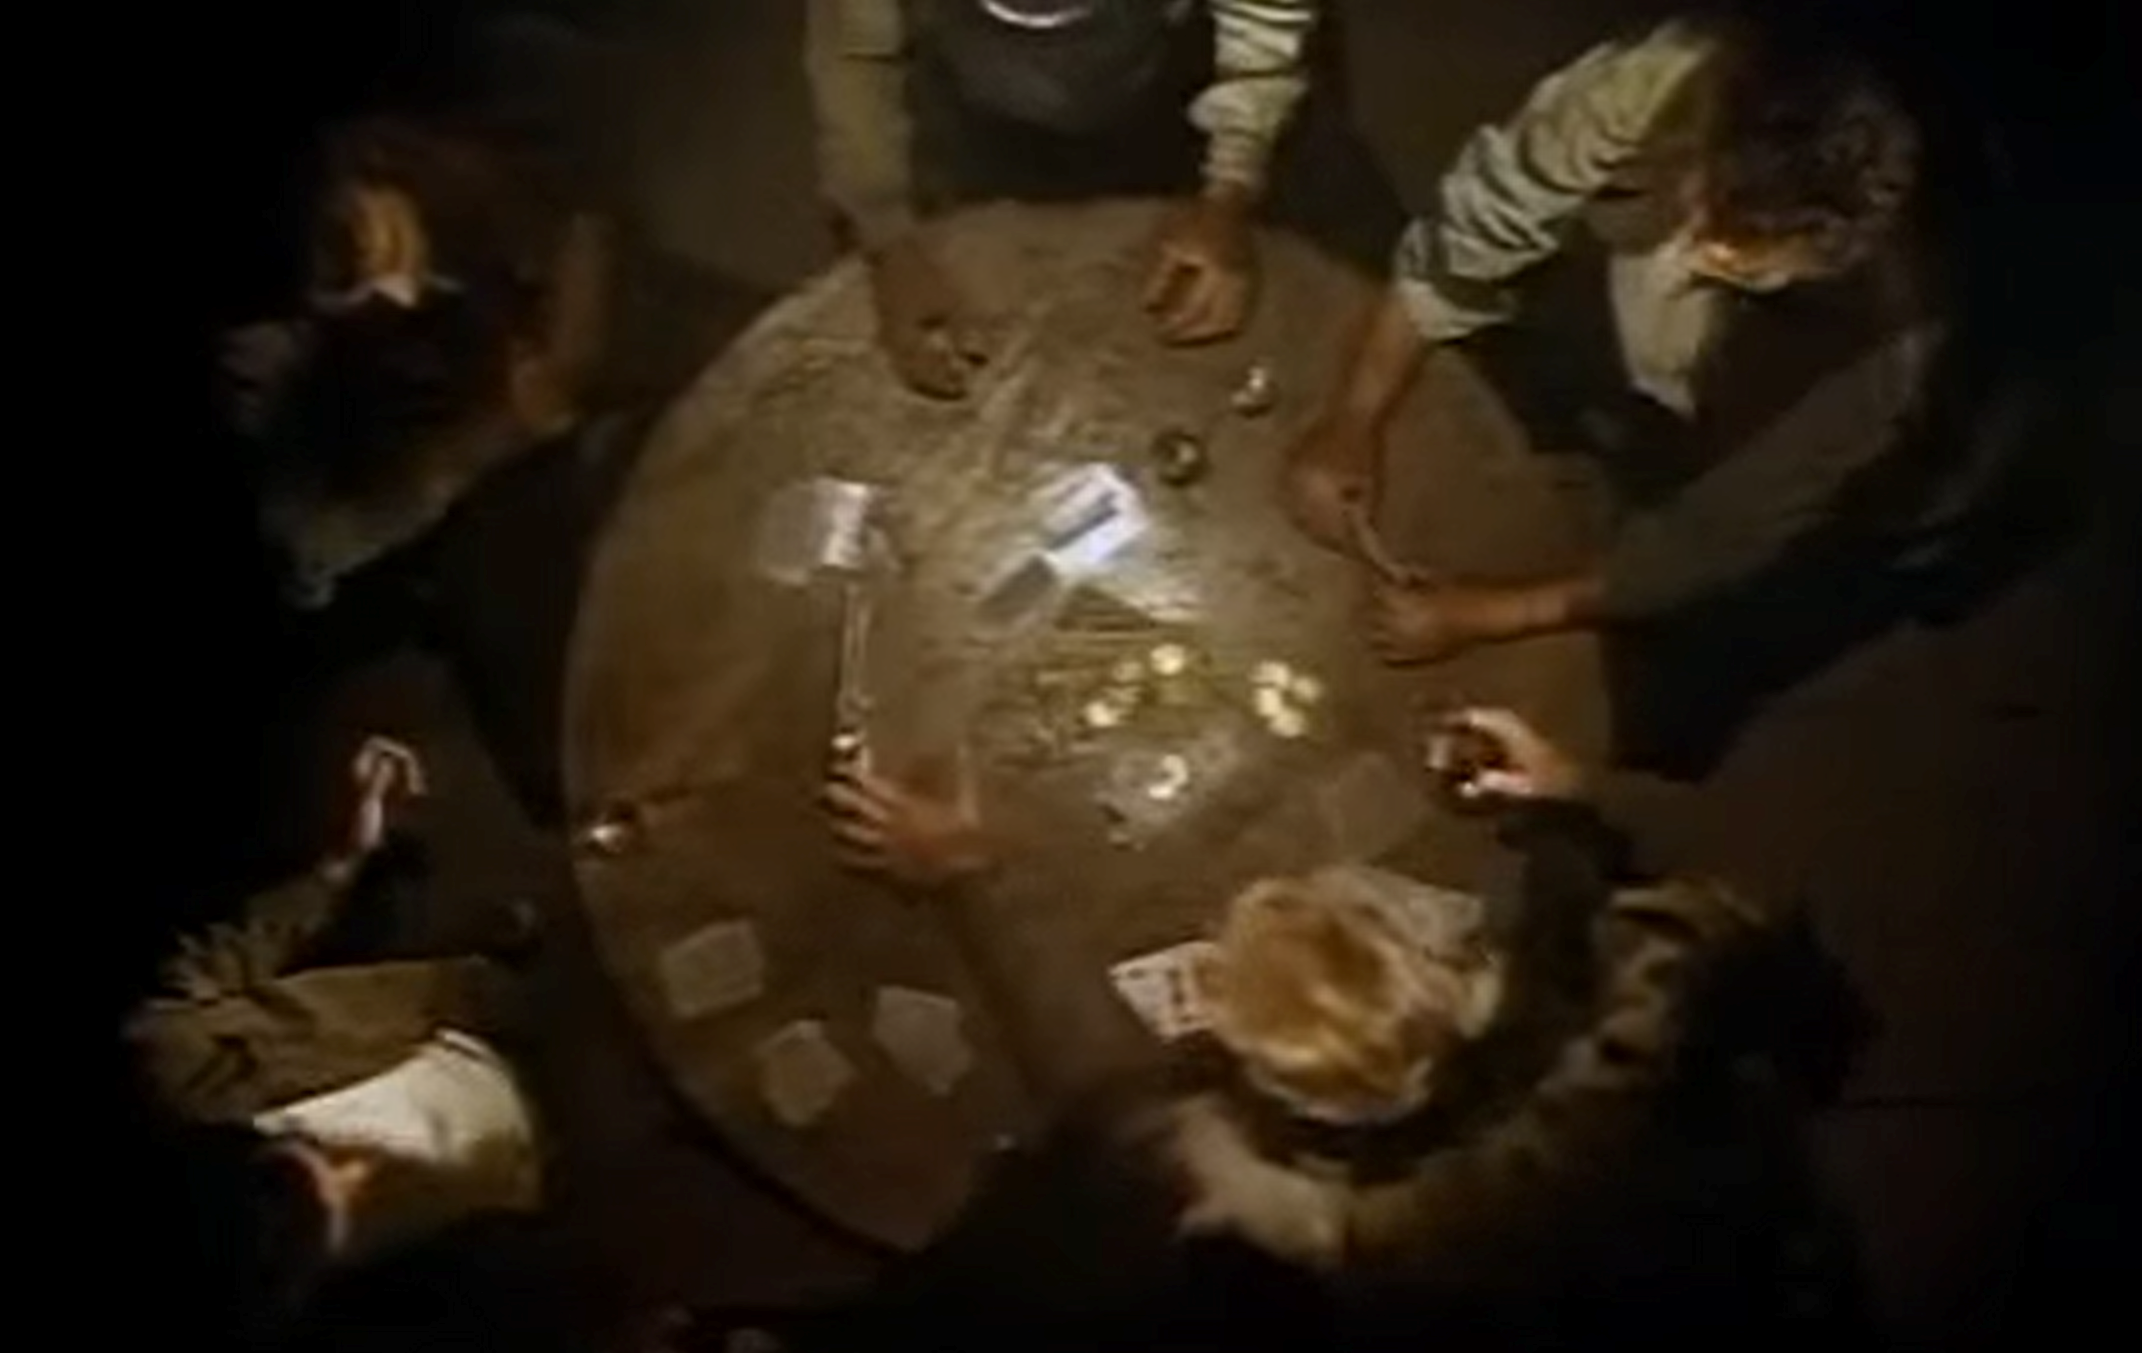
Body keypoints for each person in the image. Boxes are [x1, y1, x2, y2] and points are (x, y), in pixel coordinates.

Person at [769, 711, 1864, 1346]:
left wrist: (974, 876)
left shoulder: (1247, 1240)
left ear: (1278, 1096)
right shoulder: (1628, 1084)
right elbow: (1735, 918)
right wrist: (1566, 801)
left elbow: (1091, 1086)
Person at [1280, 8, 1962, 685]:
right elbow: (1476, 229)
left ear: (1821, 257)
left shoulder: (1877, 353)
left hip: (1794, 459)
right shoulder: (1656, 89)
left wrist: (1482, 613)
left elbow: (1709, 537)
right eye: (1702, 211)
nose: (1693, 254)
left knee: (1687, 657)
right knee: (1560, 350)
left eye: (1738, 258)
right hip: (1644, 317)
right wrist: (1356, 415)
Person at [125, 737, 545, 1343]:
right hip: (561, 1158)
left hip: (480, 1007)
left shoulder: (167, 1055)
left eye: (311, 1152)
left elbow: (241, 944)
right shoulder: (328, 1311)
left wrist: (348, 857)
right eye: (340, 1220)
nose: (360, 1168)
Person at [805, 0, 1404, 398]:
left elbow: (1264, 29)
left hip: (1191, 62)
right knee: (989, 320)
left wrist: (1230, 187)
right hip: (982, 105)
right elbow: (855, 55)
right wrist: (887, 238)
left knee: (1360, 298)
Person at [220, 14, 621, 610]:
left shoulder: (437, 100)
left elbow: (598, 132)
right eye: (338, 288)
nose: (394, 286)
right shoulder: (308, 481)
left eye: (344, 243)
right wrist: (504, 426)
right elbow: (334, 532)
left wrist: (587, 223)